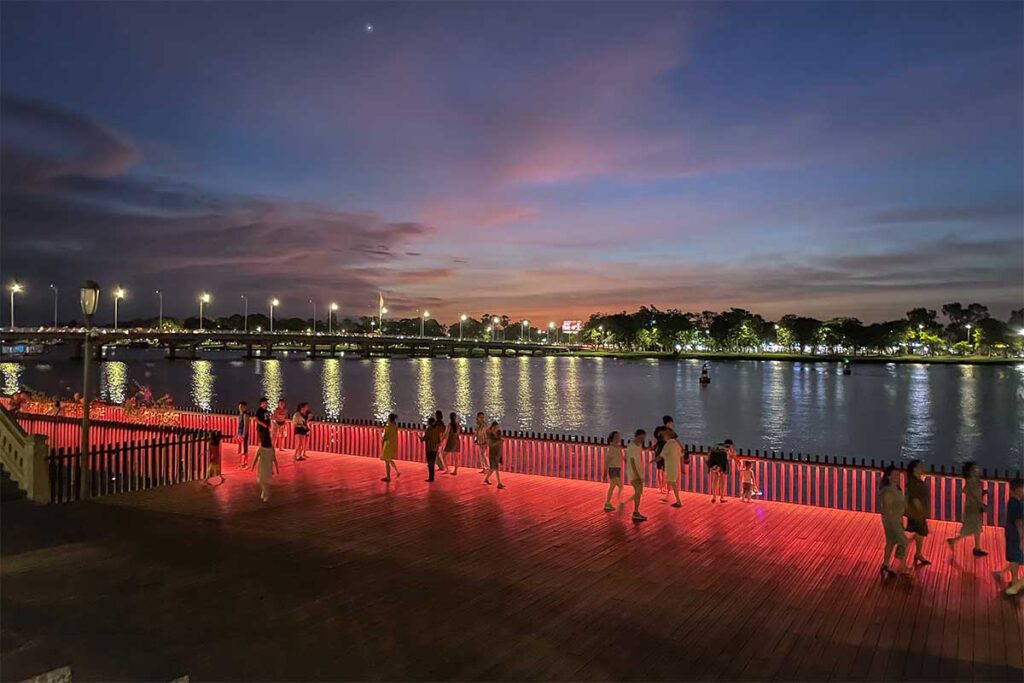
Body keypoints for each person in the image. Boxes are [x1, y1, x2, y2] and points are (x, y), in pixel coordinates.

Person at [946, 462, 988, 557]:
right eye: (975, 469)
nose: (977, 470)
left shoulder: (973, 482)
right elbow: (976, 497)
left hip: (973, 507)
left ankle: (977, 548)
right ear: (971, 471)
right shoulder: (972, 482)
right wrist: (982, 506)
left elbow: (968, 492)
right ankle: (953, 541)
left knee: (976, 528)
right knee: (970, 528)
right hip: (973, 508)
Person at [994, 478, 1024, 596]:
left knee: (1015, 559)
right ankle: (1015, 584)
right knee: (1016, 559)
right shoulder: (1016, 504)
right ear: (1017, 490)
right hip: (1016, 536)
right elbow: (1018, 522)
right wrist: (1022, 537)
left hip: (1012, 534)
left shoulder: (1013, 502)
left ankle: (1010, 579)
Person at [879, 465, 909, 576]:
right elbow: (888, 509)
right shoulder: (887, 491)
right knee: (903, 542)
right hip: (892, 520)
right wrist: (895, 524)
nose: (897, 477)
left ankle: (885, 564)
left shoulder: (896, 488)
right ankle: (899, 566)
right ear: (888, 477)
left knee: (891, 541)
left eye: (898, 475)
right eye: (895, 475)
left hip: (896, 518)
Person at [904, 460, 932, 566]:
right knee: (921, 532)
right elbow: (915, 499)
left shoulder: (916, 480)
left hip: (917, 512)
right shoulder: (913, 483)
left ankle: (917, 553)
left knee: (920, 533)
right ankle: (908, 548)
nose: (922, 468)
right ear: (915, 469)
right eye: (920, 466)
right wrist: (921, 513)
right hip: (916, 512)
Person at [625, 429, 647, 521]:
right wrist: (637, 475)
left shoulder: (639, 445)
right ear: (636, 436)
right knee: (638, 492)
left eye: (643, 438)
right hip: (634, 473)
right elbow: (632, 462)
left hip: (639, 471)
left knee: (639, 492)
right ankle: (634, 511)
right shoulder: (631, 447)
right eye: (641, 438)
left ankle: (636, 511)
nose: (642, 440)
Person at [251, 431, 278, 503]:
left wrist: (252, 467)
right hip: (268, 467)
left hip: (261, 467)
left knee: (261, 480)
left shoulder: (261, 449)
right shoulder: (271, 449)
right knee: (265, 481)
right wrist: (277, 468)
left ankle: (266, 492)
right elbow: (274, 459)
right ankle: (264, 492)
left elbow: (256, 458)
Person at [652, 415, 674, 494]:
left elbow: (654, 439)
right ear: (668, 423)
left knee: (659, 469)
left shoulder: (658, 429)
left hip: (659, 451)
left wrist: (654, 447)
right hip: (664, 452)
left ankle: (661, 487)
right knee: (664, 470)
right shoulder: (669, 431)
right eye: (671, 423)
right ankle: (664, 487)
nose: (672, 425)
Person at [603, 431, 624, 511]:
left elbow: (621, 457)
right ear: (613, 438)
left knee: (613, 486)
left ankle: (608, 503)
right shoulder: (612, 448)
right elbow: (607, 460)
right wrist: (605, 471)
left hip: (617, 468)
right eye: (617, 437)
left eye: (619, 436)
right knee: (619, 485)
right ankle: (617, 502)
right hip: (613, 469)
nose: (618, 438)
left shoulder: (618, 448)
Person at [661, 433, 683, 508]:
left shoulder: (668, 444)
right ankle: (676, 499)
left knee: (672, 482)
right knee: (671, 482)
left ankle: (678, 501)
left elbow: (662, 455)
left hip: (670, 466)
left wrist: (654, 460)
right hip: (675, 465)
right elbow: (681, 455)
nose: (664, 437)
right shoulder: (677, 444)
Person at [708, 439, 732, 503]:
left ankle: (714, 497)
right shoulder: (727, 448)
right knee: (722, 480)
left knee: (715, 478)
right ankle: (721, 497)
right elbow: (728, 457)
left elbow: (709, 454)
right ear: (730, 444)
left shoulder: (716, 446)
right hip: (721, 464)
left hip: (714, 463)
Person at [483, 420, 505, 489]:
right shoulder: (489, 434)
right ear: (492, 427)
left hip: (498, 451)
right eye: (495, 427)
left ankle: (486, 479)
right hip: (492, 452)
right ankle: (499, 483)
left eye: (497, 427)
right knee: (496, 467)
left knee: (492, 468)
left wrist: (501, 455)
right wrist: (499, 441)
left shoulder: (498, 433)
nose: (496, 429)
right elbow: (491, 444)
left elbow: (500, 443)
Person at [421, 417, 443, 482]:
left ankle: (431, 477)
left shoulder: (428, 430)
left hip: (429, 448)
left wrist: (421, 438)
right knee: (432, 462)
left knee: (430, 463)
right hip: (435, 448)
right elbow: (439, 439)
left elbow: (425, 438)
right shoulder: (437, 429)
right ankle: (432, 477)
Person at [380, 413, 401, 481]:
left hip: (388, 445)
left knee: (387, 461)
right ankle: (397, 472)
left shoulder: (388, 427)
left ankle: (388, 477)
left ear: (389, 419)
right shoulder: (395, 426)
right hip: (393, 444)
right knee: (389, 459)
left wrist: (382, 442)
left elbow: (385, 437)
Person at [235, 401, 250, 469]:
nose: (240, 408)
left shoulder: (245, 415)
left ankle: (245, 464)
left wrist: (244, 435)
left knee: (244, 449)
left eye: (242, 407)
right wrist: (237, 434)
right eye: (240, 406)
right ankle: (241, 463)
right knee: (240, 449)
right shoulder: (240, 415)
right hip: (239, 434)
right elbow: (239, 425)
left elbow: (246, 426)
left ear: (245, 407)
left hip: (243, 435)